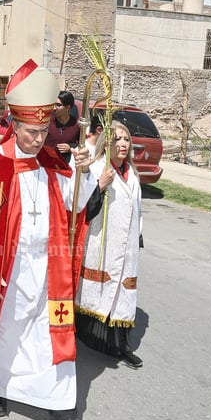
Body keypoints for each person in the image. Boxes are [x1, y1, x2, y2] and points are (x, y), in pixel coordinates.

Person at [0, 59, 98, 420]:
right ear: (15, 126)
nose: (39, 139)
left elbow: (77, 204)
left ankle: (63, 412)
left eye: (44, 130)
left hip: (50, 268)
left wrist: (86, 170)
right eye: (32, 132)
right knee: (7, 330)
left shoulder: (53, 162)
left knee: (56, 331)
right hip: (9, 266)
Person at [74, 120, 144, 368]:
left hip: (127, 247)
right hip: (101, 242)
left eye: (126, 140)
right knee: (96, 291)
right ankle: (83, 335)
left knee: (123, 294)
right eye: (118, 140)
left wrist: (138, 238)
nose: (123, 144)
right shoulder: (94, 170)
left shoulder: (132, 174)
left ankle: (121, 345)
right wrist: (100, 186)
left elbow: (138, 210)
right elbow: (83, 210)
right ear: (107, 143)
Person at [45, 91, 79, 163]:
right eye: (53, 104)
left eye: (58, 105)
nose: (54, 108)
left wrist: (70, 147)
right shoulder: (47, 122)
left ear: (68, 107)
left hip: (67, 165)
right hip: (47, 164)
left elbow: (83, 144)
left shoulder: (77, 125)